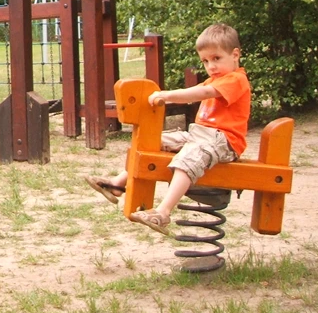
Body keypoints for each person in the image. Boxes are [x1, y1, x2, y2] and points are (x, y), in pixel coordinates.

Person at [86, 23, 251, 235]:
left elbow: (199, 94)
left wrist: (167, 94)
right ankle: (118, 184)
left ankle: (163, 212)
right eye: (205, 61)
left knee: (189, 157)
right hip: (200, 134)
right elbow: (197, 92)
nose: (210, 65)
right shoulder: (216, 79)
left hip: (224, 141)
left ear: (235, 54)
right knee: (152, 140)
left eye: (216, 58)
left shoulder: (236, 80)